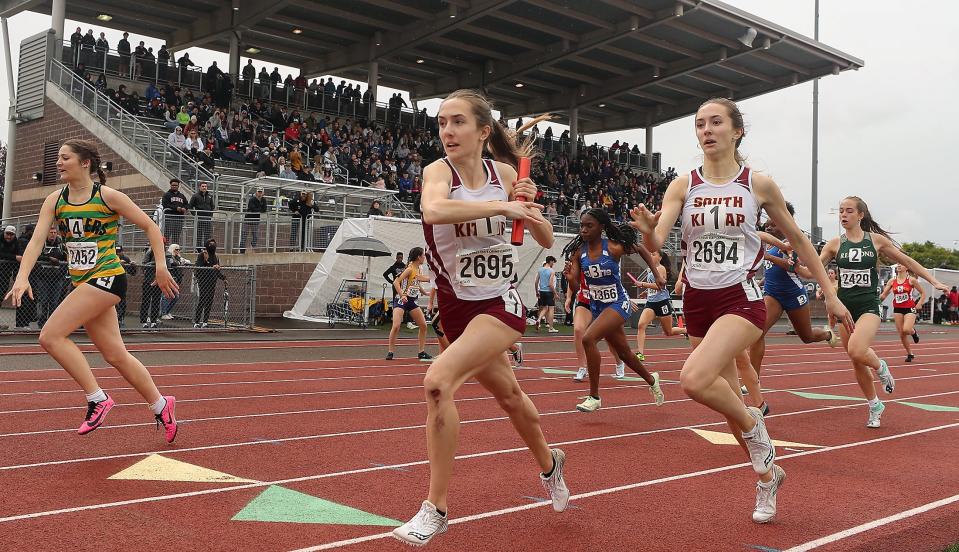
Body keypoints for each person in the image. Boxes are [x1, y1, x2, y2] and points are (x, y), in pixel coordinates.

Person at [629, 98, 854, 523]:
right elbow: (657, 244)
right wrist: (646, 234)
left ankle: (758, 432)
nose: (706, 130)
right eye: (699, 124)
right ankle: (768, 477)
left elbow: (801, 242)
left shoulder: (758, 185)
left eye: (716, 122)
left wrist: (830, 291)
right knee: (729, 397)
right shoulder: (683, 185)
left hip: (741, 296)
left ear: (737, 131)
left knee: (694, 380)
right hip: (697, 298)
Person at [392, 90, 568, 546]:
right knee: (510, 396)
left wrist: (527, 206)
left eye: (457, 123)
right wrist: (500, 206)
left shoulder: (504, 174)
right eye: (441, 123)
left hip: (500, 304)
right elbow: (433, 211)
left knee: (437, 382)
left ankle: (436, 508)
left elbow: (546, 239)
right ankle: (551, 463)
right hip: (455, 307)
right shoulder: (438, 173)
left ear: (483, 131)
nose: (447, 132)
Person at [4, 139, 178, 441]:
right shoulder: (55, 200)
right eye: (57, 157)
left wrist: (161, 266)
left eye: (65, 158)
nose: (58, 163)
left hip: (108, 277)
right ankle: (162, 404)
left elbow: (151, 227)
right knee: (115, 355)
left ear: (85, 163)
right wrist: (22, 277)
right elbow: (35, 241)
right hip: (83, 283)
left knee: (50, 336)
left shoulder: (107, 196)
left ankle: (97, 398)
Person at [820, 196, 948, 427]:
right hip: (845, 308)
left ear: (861, 215)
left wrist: (933, 281)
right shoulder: (834, 244)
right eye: (841, 211)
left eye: (849, 211)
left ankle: (881, 366)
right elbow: (814, 269)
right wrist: (795, 264)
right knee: (856, 360)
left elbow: (907, 260)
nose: (843, 215)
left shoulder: (875, 241)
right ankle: (875, 405)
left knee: (857, 350)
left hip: (868, 305)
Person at [562, 208, 665, 413]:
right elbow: (575, 288)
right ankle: (653, 380)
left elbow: (642, 249)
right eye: (581, 225)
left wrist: (657, 275)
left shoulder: (613, 248)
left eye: (589, 226)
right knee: (625, 354)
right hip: (598, 306)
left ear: (601, 227)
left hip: (618, 303)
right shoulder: (578, 253)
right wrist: (570, 278)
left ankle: (594, 396)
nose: (583, 230)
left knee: (588, 339)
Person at [747, 202, 839, 404]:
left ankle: (826, 333)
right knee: (757, 333)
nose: (768, 228)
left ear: (784, 220)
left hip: (793, 295)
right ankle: (753, 379)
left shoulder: (795, 240)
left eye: (773, 224)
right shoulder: (772, 241)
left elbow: (792, 268)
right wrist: (763, 280)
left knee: (806, 336)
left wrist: (767, 255)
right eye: (767, 224)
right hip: (772, 294)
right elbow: (771, 268)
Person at [564, 263, 626, 381]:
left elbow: (616, 281)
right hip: (585, 300)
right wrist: (568, 297)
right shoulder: (579, 257)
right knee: (578, 330)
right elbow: (572, 278)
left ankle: (619, 362)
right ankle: (582, 367)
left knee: (610, 337)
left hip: (604, 301)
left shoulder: (605, 258)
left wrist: (625, 298)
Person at [633, 249, 687, 361]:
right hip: (651, 303)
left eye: (653, 254)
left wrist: (642, 284)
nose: (651, 256)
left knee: (669, 332)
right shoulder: (649, 270)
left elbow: (660, 286)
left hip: (662, 303)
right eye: (650, 254)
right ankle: (640, 353)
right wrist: (646, 292)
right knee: (641, 325)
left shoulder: (661, 269)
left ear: (660, 257)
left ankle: (686, 331)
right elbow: (654, 287)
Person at [386, 247, 431, 361]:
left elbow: (416, 282)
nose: (424, 257)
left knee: (423, 326)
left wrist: (425, 292)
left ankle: (421, 352)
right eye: (423, 255)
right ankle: (390, 351)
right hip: (401, 300)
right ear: (418, 257)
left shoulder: (419, 268)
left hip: (412, 301)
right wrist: (402, 295)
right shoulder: (409, 269)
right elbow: (396, 282)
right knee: (396, 326)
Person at [35, 225, 67, 329]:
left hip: (57, 278)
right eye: (51, 233)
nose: (53, 235)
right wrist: (49, 258)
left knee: (54, 302)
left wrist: (61, 271)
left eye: (54, 233)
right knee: (44, 301)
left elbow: (66, 258)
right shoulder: (42, 243)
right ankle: (42, 322)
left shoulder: (61, 245)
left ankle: (53, 323)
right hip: (43, 277)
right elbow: (36, 255)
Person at [194, 238, 226, 328]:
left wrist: (223, 278)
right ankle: (197, 321)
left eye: (214, 244)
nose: (212, 246)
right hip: (203, 281)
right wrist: (207, 262)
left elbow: (217, 271)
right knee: (202, 300)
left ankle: (205, 322)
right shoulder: (202, 255)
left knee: (209, 301)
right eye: (210, 244)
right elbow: (199, 267)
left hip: (212, 282)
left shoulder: (216, 256)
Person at [160, 244, 189, 319]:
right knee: (166, 296)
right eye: (176, 249)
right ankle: (163, 313)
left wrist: (181, 261)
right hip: (170, 278)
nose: (178, 251)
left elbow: (187, 261)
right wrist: (180, 262)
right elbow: (173, 263)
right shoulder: (169, 256)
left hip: (176, 279)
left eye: (179, 249)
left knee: (175, 296)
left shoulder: (177, 257)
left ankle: (167, 311)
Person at [534, 256, 559, 332]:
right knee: (551, 309)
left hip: (541, 291)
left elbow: (536, 282)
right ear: (550, 261)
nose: (553, 264)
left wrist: (537, 292)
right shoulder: (552, 271)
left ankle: (538, 319)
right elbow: (551, 284)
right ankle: (551, 328)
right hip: (549, 292)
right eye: (553, 262)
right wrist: (555, 293)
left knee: (545, 308)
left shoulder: (540, 270)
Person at [188, 181, 215, 250]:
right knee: (199, 234)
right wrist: (195, 215)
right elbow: (190, 206)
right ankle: (198, 248)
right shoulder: (195, 196)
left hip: (207, 218)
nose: (204, 188)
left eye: (205, 186)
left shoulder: (210, 196)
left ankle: (206, 248)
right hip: (199, 218)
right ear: (199, 187)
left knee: (207, 234)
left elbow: (212, 206)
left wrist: (210, 215)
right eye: (203, 186)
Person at [240, 187, 267, 253]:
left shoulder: (263, 200)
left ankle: (252, 247)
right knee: (244, 235)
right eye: (258, 192)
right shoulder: (252, 199)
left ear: (263, 193)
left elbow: (264, 209)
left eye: (261, 192)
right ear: (256, 192)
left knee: (255, 236)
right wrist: (259, 210)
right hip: (248, 220)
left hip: (256, 220)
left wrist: (258, 210)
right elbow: (252, 208)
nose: (259, 193)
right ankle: (242, 250)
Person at [161, 178, 188, 243]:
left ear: (178, 186)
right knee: (167, 235)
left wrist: (185, 208)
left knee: (176, 236)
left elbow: (187, 204)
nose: (174, 186)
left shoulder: (182, 196)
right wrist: (175, 208)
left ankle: (174, 251)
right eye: (173, 185)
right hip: (169, 218)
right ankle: (163, 250)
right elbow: (165, 205)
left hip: (179, 219)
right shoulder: (167, 195)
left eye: (176, 185)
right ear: (170, 185)